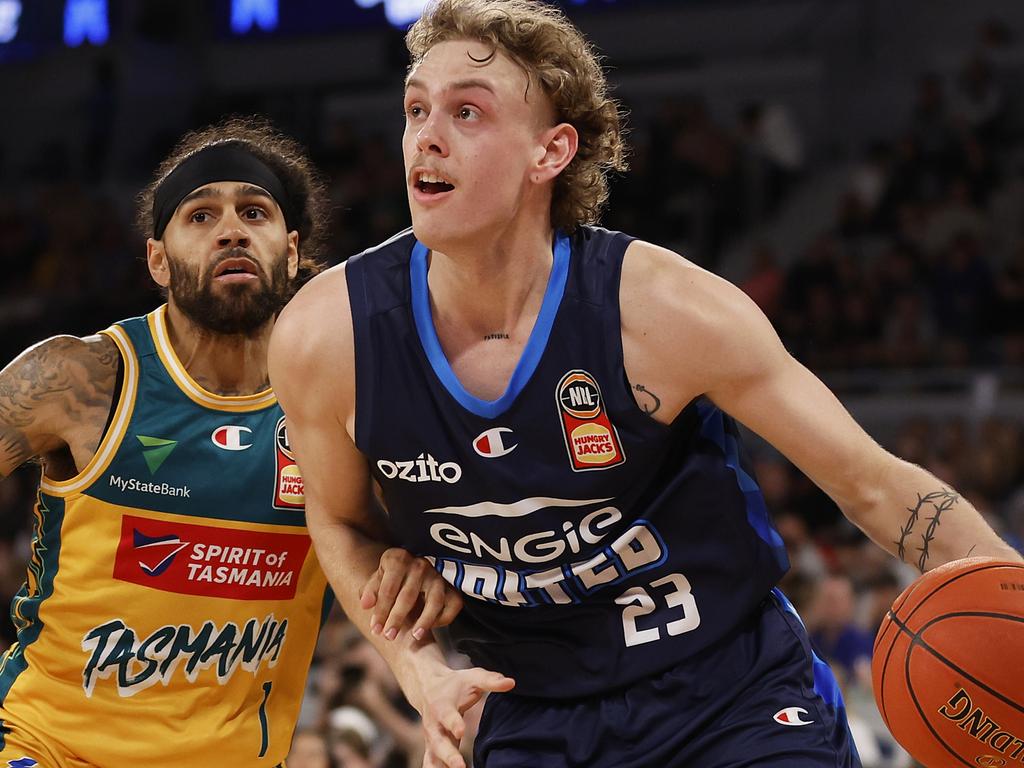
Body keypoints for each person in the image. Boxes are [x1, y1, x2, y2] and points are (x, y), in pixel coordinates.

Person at [268, 2, 1024, 767]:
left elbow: (872, 486)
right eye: (416, 108)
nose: (425, 136)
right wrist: (419, 669)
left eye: (467, 111)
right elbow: (340, 524)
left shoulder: (662, 310)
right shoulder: (325, 339)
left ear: (550, 151)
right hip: (528, 707)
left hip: (732, 696)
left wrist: (1013, 603)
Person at [0, 117, 332, 766]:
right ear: (158, 259)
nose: (231, 229)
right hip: (51, 747)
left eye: (255, 212)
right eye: (201, 215)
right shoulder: (83, 378)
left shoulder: (337, 401)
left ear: (290, 252)